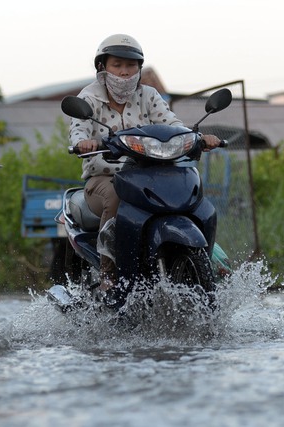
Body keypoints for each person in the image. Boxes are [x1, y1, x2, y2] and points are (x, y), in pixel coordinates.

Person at [69, 34, 222, 290]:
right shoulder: (88, 98)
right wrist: (85, 142)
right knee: (116, 198)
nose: (125, 72)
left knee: (190, 198)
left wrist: (197, 138)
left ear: (139, 68)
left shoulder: (148, 95)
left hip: (149, 176)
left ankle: (211, 262)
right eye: (117, 65)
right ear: (102, 67)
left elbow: (172, 124)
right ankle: (110, 274)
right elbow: (78, 131)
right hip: (105, 179)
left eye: (131, 66)